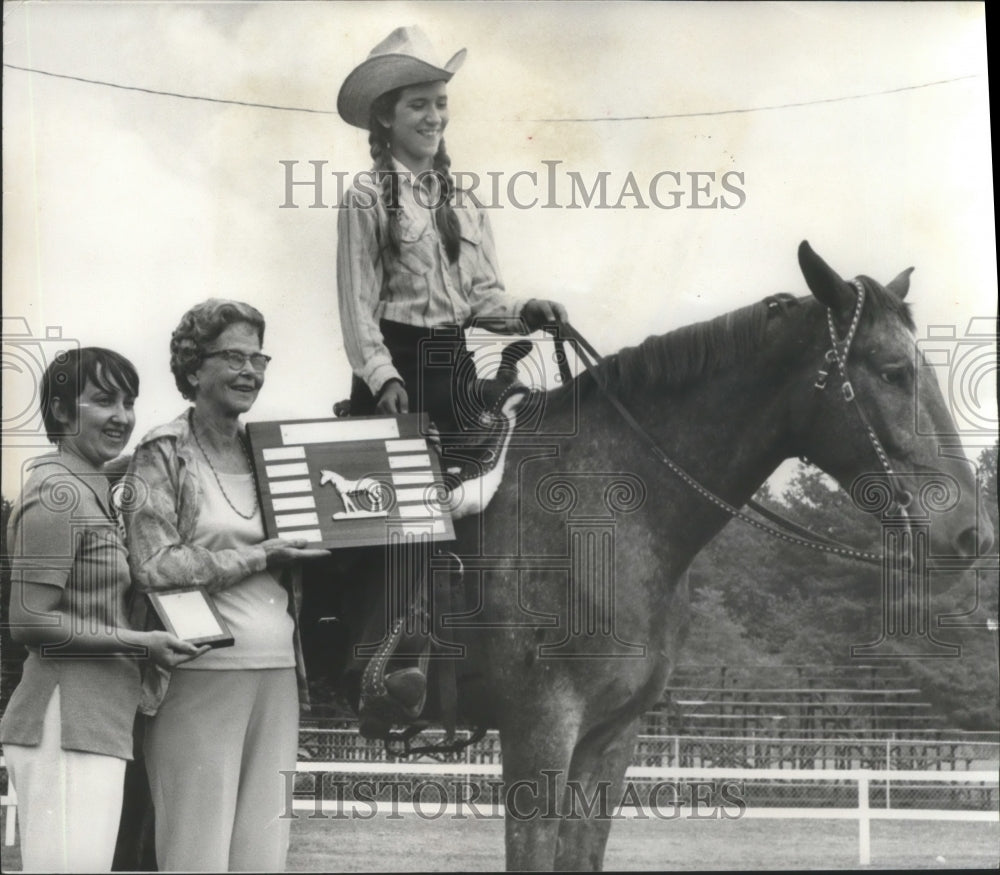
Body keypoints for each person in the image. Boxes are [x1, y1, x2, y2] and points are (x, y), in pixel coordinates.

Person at [335, 25, 569, 733]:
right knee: (406, 510)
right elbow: (356, 309)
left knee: (504, 487)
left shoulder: (465, 201)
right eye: (418, 106)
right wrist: (381, 379)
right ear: (385, 116)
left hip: (454, 362)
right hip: (395, 369)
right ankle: (381, 670)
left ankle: (498, 655)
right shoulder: (365, 198)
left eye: (440, 103)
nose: (434, 117)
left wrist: (525, 308)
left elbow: (482, 299)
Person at [123, 299, 327, 872]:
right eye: (233, 357)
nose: (250, 371)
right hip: (197, 675)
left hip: (279, 672)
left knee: (264, 854)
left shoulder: (272, 450)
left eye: (258, 357)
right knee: (196, 852)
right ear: (192, 368)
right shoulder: (161, 451)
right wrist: (256, 555)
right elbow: (155, 566)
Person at [0, 347, 205, 873]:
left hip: (96, 722)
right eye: (103, 400)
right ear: (63, 411)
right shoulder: (55, 492)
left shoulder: (91, 486)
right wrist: (142, 643)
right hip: (64, 722)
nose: (122, 416)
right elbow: (29, 620)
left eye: (129, 401)